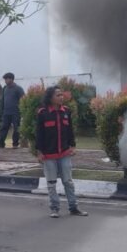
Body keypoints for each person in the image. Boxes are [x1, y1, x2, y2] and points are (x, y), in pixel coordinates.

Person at [35, 86, 89, 218]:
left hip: (64, 153)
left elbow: (70, 130)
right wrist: (39, 152)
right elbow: (39, 134)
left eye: (61, 95)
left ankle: (73, 207)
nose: (61, 97)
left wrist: (73, 146)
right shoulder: (43, 113)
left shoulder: (66, 111)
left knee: (68, 181)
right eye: (58, 95)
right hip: (49, 155)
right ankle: (54, 208)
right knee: (51, 183)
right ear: (51, 98)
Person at [0, 72, 25, 149]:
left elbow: (23, 100)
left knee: (16, 128)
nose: (5, 81)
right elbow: (3, 100)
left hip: (15, 112)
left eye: (7, 79)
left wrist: (21, 111)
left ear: (11, 79)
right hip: (6, 112)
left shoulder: (18, 89)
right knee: (3, 128)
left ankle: (15, 144)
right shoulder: (5, 88)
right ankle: (1, 143)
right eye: (5, 79)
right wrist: (2, 110)